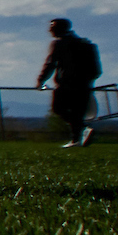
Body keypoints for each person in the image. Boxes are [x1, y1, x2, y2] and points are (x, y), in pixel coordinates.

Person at [37, 18, 103, 147]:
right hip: (84, 85)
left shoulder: (59, 44)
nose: (50, 30)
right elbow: (96, 70)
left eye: (52, 27)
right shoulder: (86, 44)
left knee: (59, 108)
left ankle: (81, 133)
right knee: (77, 112)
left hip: (66, 84)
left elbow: (50, 64)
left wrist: (41, 80)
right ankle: (77, 138)